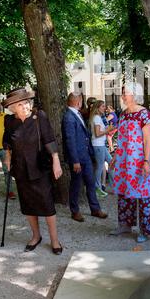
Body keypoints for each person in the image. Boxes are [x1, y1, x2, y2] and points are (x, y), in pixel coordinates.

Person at [2, 88, 63, 254]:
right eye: (20, 104)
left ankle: (55, 240)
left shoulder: (39, 117)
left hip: (39, 168)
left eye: (27, 102)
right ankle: (36, 236)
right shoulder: (9, 121)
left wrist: (56, 161)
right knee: (28, 205)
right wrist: (7, 158)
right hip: (20, 169)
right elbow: (7, 141)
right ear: (12, 107)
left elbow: (49, 139)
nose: (25, 106)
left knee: (47, 205)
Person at [110, 82, 150, 243]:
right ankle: (125, 225)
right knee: (124, 193)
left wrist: (146, 161)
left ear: (135, 94)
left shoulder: (144, 113)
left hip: (138, 160)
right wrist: (115, 156)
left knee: (143, 194)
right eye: (122, 93)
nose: (123, 96)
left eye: (126, 93)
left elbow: (147, 139)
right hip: (124, 161)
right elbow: (121, 138)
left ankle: (146, 230)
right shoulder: (123, 114)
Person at [61, 93, 108, 222]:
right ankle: (75, 211)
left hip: (85, 155)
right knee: (76, 184)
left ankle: (95, 208)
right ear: (78, 102)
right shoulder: (69, 117)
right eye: (81, 100)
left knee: (91, 182)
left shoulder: (77, 113)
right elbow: (70, 140)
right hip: (77, 158)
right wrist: (75, 161)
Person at [89, 100, 113, 198]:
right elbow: (98, 134)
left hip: (101, 145)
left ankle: (115, 186)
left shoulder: (98, 118)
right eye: (103, 106)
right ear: (98, 108)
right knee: (99, 167)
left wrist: (108, 130)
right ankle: (97, 189)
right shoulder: (97, 118)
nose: (104, 108)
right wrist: (108, 130)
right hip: (98, 145)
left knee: (112, 162)